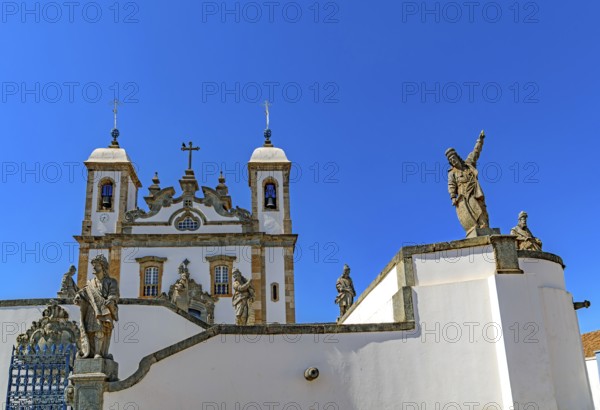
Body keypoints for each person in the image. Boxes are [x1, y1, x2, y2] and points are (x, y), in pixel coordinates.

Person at [74, 254, 119, 359]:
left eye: (96, 265)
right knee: (89, 331)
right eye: (93, 265)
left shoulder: (111, 282)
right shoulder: (89, 283)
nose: (94, 268)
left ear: (102, 266)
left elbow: (114, 294)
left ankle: (99, 353)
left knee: (100, 330)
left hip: (103, 309)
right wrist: (78, 297)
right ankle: (89, 353)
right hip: (91, 310)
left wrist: (111, 300)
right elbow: (83, 292)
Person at [446, 130, 490, 236]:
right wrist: (453, 197)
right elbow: (451, 185)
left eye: (454, 158)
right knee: (474, 209)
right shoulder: (452, 173)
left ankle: (484, 227)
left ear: (457, 157)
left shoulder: (468, 164)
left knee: (482, 209)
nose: (453, 160)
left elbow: (476, 152)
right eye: (451, 160)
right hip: (464, 194)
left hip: (475, 190)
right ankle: (478, 227)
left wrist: (480, 140)